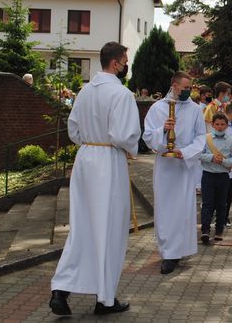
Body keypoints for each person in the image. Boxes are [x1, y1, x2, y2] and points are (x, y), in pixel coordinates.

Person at [49, 42, 141, 316]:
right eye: (125, 61)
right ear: (115, 63)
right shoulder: (122, 95)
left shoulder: (85, 91)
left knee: (84, 227)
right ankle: (104, 299)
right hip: (108, 162)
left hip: (86, 158)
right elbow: (125, 136)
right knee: (108, 230)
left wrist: (90, 141)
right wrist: (128, 148)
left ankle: (62, 290)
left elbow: (73, 129)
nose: (126, 66)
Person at [143, 71, 206, 275]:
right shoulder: (158, 108)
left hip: (184, 166)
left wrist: (185, 152)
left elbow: (200, 137)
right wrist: (162, 129)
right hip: (165, 167)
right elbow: (147, 136)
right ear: (174, 85)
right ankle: (168, 253)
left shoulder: (195, 110)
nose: (188, 91)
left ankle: (179, 250)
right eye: (185, 88)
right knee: (166, 209)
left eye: (190, 88)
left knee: (183, 210)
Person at [199, 113, 232, 243]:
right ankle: (205, 230)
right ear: (212, 125)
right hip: (208, 175)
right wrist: (211, 157)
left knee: (221, 204)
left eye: (223, 124)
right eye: (217, 124)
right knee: (207, 203)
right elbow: (199, 154)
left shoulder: (231, 140)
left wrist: (225, 161)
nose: (220, 127)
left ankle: (219, 230)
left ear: (227, 126)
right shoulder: (206, 139)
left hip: (223, 176)